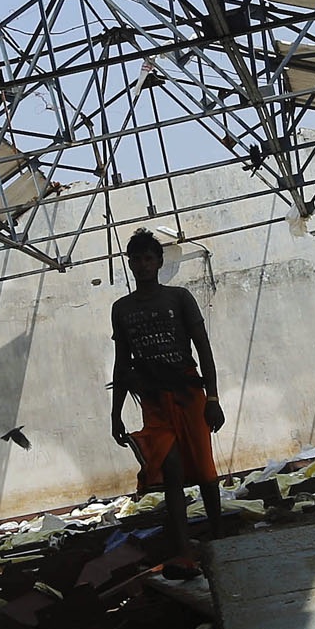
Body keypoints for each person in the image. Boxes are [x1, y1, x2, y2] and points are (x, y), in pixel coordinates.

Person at [108, 229, 223, 569]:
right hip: (154, 401)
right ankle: (184, 550)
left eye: (148, 259)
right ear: (130, 265)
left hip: (189, 393)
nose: (142, 265)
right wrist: (116, 414)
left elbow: (203, 348)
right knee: (172, 472)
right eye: (136, 260)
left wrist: (213, 397)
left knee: (204, 470)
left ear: (159, 262)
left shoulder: (179, 298)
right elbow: (121, 362)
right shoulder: (122, 309)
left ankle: (218, 541)